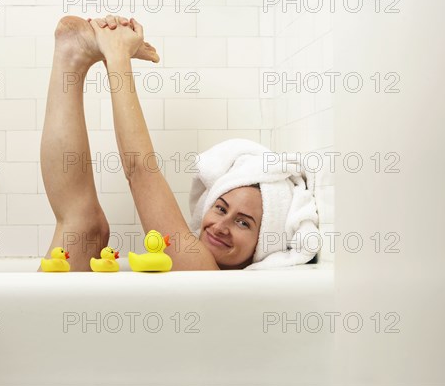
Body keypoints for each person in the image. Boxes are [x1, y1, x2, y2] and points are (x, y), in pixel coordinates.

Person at [40, 15, 316, 272]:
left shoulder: (203, 270)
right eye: (220, 207)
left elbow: (140, 171)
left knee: (81, 223)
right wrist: (113, 55)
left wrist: (117, 54)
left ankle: (70, 58)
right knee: (85, 225)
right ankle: (70, 59)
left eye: (244, 222)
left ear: (264, 242)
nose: (221, 225)